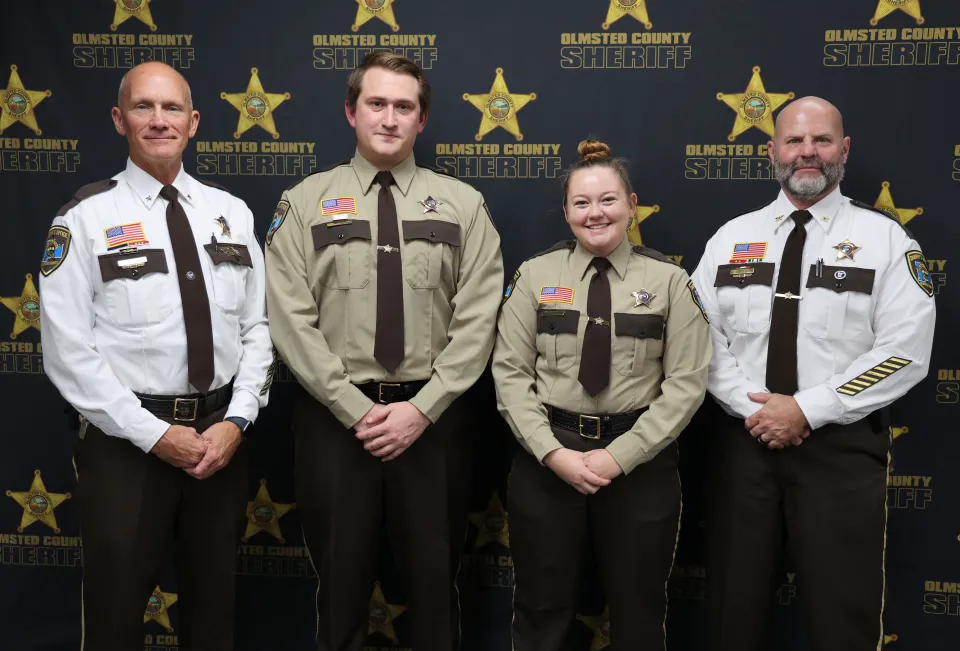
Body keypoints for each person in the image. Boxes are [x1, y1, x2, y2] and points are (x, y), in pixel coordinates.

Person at [264, 52, 503, 651]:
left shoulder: (464, 206)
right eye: (377, 104)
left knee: (433, 588)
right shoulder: (304, 202)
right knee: (339, 589)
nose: (389, 118)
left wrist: (422, 409)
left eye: (404, 107)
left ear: (422, 120)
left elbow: (478, 319)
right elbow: (289, 319)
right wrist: (354, 408)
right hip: (335, 423)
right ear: (351, 112)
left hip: (434, 422)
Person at [38, 61, 273, 651]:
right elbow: (68, 354)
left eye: (172, 109)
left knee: (213, 614)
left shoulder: (232, 212)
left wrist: (236, 422)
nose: (159, 120)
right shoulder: (84, 218)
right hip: (125, 446)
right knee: (116, 617)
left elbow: (259, 329)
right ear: (120, 120)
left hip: (219, 444)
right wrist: (154, 434)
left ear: (194, 123)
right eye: (144, 107)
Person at [691, 96, 936, 651]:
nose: (808, 153)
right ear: (773, 150)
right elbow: (698, 339)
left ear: (843, 150)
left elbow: (905, 352)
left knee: (842, 616)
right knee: (733, 614)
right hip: (744, 445)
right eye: (795, 141)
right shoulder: (730, 238)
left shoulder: (886, 242)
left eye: (822, 141)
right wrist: (756, 409)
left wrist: (806, 408)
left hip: (840, 450)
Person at [492, 139, 712, 650]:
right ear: (566, 211)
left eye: (609, 200)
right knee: (540, 610)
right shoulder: (533, 277)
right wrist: (552, 453)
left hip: (640, 465)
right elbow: (509, 374)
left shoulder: (670, 281)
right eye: (583, 203)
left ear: (632, 206)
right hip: (547, 462)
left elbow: (686, 384)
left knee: (638, 613)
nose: (596, 214)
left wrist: (619, 457)